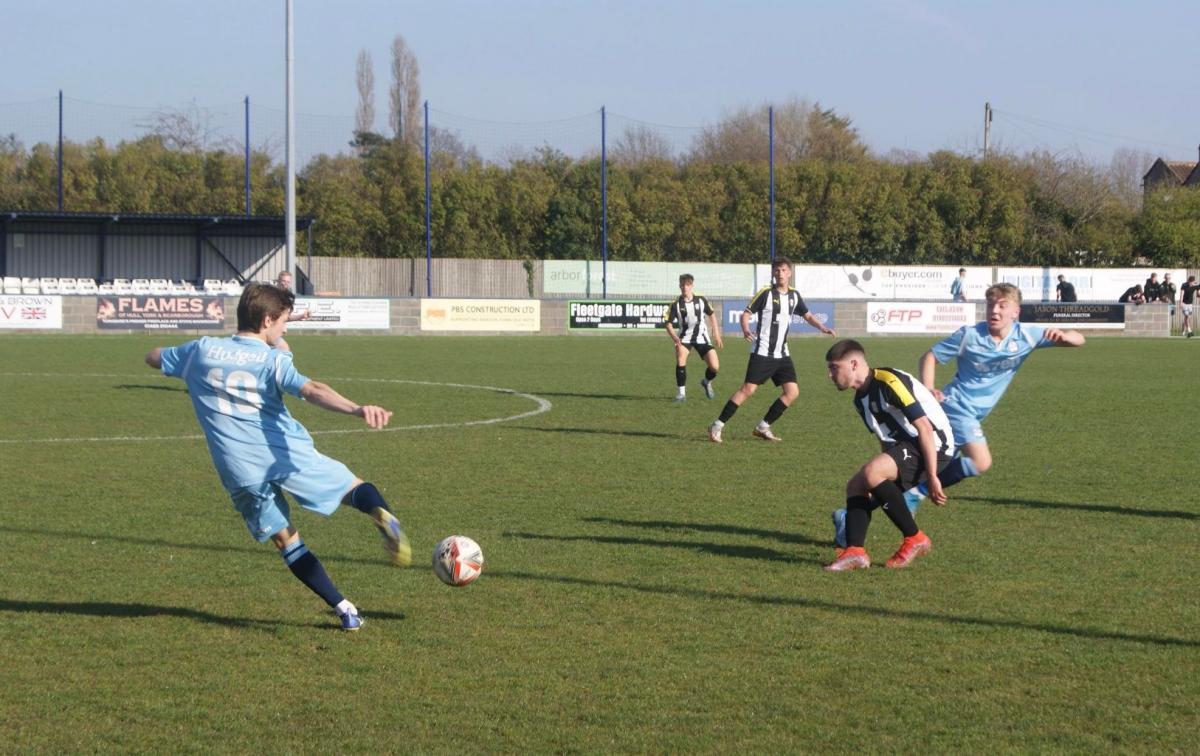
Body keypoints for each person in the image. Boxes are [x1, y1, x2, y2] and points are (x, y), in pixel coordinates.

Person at [144, 282, 412, 631]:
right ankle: (381, 514)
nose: (285, 328)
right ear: (267, 320)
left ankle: (345, 610)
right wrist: (357, 408)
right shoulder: (272, 360)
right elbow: (311, 390)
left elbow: (153, 356)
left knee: (287, 541)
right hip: (286, 453)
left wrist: (174, 358)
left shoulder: (201, 350)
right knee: (352, 487)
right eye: (284, 321)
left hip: (240, 470)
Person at [832, 283, 1085, 546]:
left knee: (907, 477)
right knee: (980, 461)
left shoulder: (1027, 336)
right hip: (955, 408)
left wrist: (1066, 337)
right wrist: (929, 389)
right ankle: (915, 494)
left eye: (1002, 305)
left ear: (1016, 312)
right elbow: (930, 357)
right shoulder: (970, 335)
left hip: (975, 414)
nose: (994, 311)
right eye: (990, 305)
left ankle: (850, 516)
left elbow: (1079, 339)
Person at [823, 339, 953, 571]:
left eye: (834, 367)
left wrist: (933, 476)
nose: (830, 375)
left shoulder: (889, 381)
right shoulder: (860, 400)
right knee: (856, 485)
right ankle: (855, 552)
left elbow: (924, 427)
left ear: (854, 364)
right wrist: (882, 476)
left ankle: (915, 538)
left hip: (935, 445)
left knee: (871, 473)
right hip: (908, 447)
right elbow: (885, 439)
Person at [708, 257, 835, 443]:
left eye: (783, 270)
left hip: (782, 354)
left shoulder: (795, 296)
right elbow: (746, 314)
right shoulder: (766, 294)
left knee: (792, 392)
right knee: (748, 390)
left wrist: (822, 327)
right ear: (773, 273)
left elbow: (807, 315)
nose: (780, 273)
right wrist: (745, 329)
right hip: (762, 352)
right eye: (777, 270)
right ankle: (717, 425)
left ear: (789, 273)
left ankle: (763, 426)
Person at [664, 274, 724, 401]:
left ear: (691, 286)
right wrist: (675, 338)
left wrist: (716, 332)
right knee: (681, 358)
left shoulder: (701, 300)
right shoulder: (675, 304)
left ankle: (706, 382)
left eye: (687, 285)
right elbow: (668, 323)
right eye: (682, 285)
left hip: (702, 337)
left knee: (715, 367)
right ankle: (681, 394)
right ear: (679, 286)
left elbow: (712, 314)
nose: (684, 287)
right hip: (684, 338)